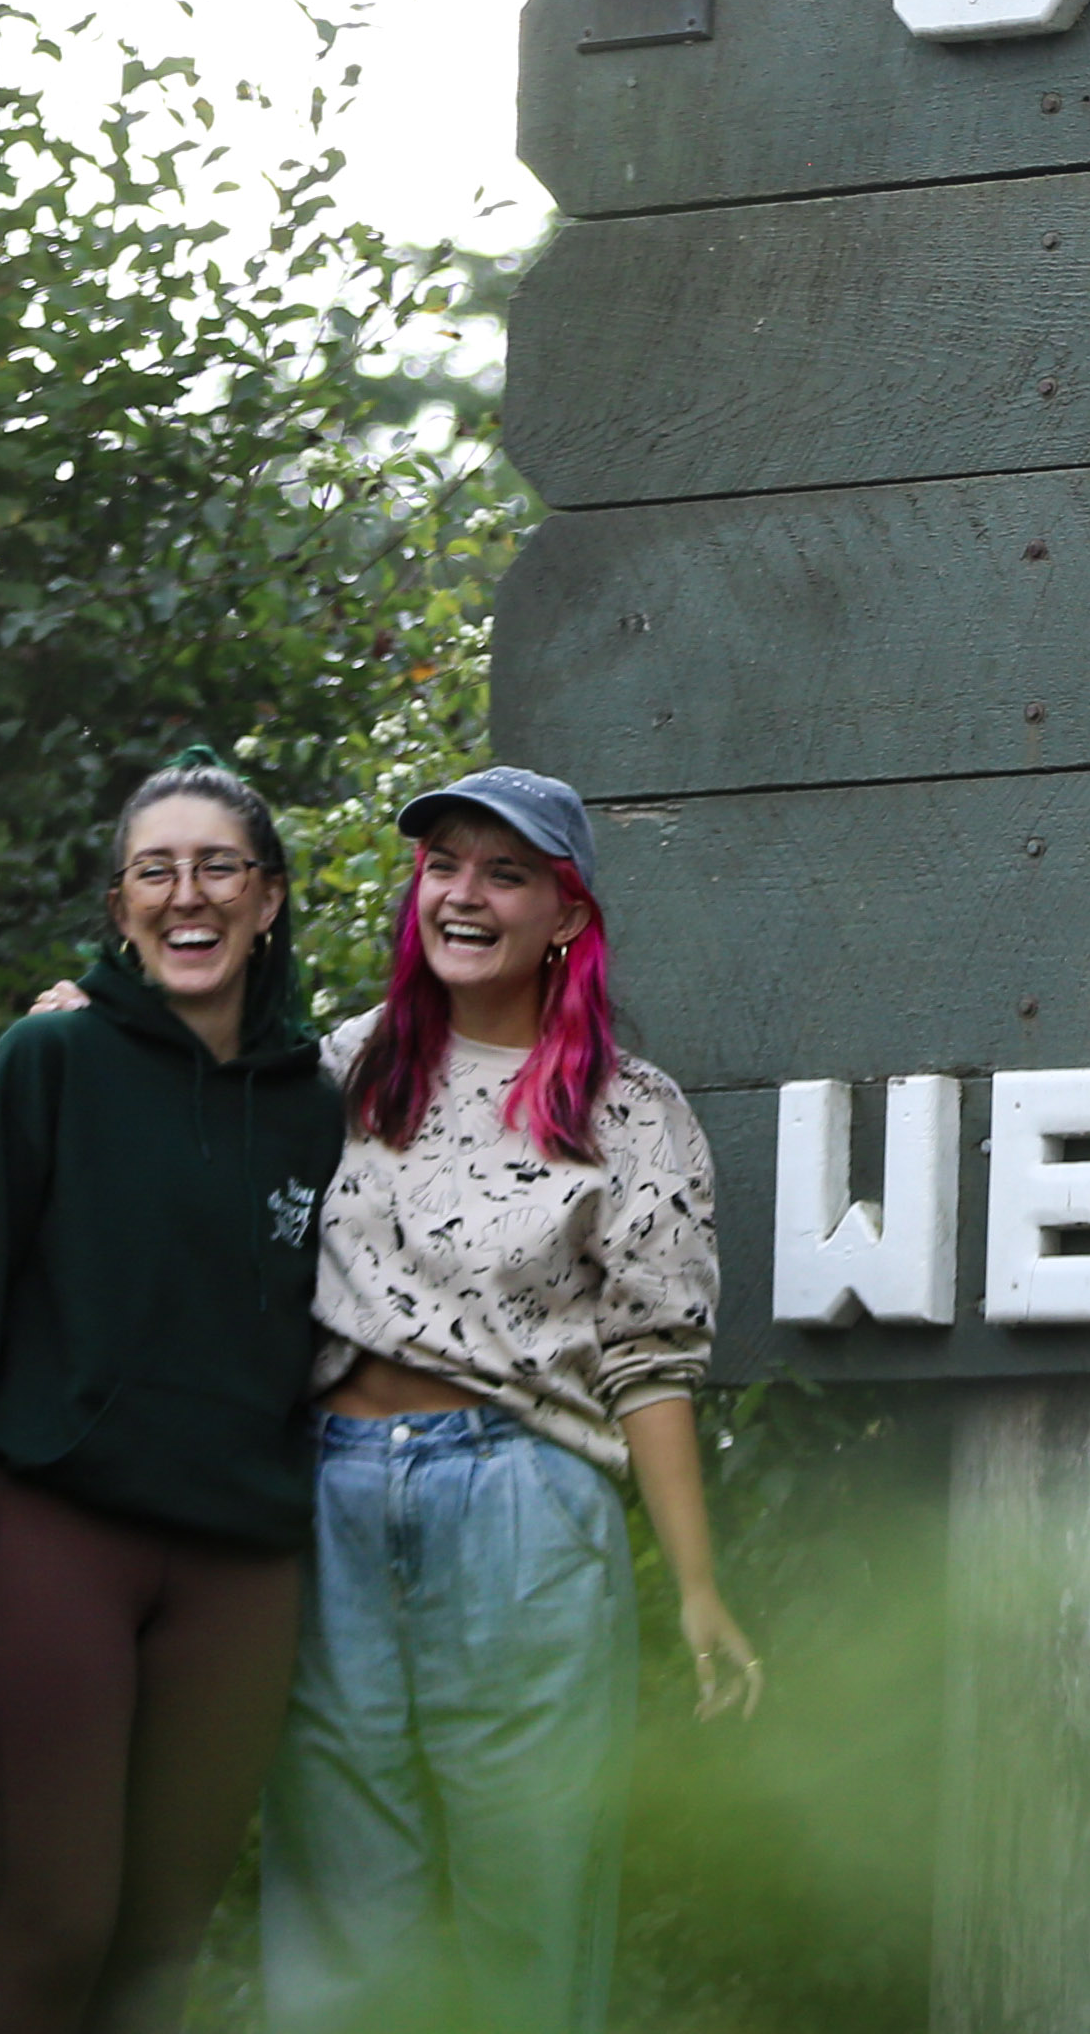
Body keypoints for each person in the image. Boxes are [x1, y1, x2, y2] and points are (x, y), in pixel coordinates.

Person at [266, 765, 759, 2034]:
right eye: (444, 866)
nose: (464, 894)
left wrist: (697, 1587)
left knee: (525, 1894)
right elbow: (181, 1132)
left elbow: (651, 1362)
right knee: (336, 1898)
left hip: (523, 1502)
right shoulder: (345, 1069)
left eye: (506, 872)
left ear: (567, 915)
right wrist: (81, 1019)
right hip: (329, 1491)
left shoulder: (629, 1113)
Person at [0, 759, 347, 2034]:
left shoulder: (321, 1111)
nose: (186, 896)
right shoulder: (48, 1061)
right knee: (57, 1930)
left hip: (239, 1570)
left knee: (157, 1959)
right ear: (120, 903)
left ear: (269, 901)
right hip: (53, 1533)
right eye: (157, 870)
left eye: (218, 869)